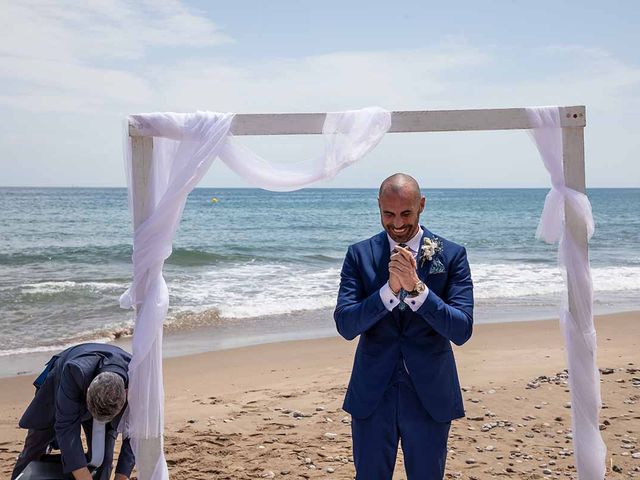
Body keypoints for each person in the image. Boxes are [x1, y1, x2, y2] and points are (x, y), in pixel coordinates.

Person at [334, 173, 474, 479]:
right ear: (379, 207)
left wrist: (417, 290)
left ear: (421, 205)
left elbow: (462, 330)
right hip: (373, 393)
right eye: (388, 214)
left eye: (406, 213)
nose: (397, 224)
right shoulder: (359, 255)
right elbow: (345, 324)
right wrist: (387, 292)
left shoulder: (450, 255)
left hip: (429, 395)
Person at [11, 343, 135, 480]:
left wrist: (122, 476)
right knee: (34, 448)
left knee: (104, 459)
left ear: (126, 393)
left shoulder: (139, 380)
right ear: (87, 390)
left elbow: (136, 432)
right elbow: (66, 428)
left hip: (110, 400)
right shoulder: (74, 371)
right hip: (58, 387)